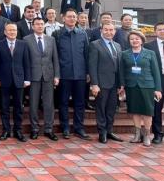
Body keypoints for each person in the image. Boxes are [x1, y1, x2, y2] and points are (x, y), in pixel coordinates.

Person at [119, 30, 162, 147]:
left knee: (147, 111)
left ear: (142, 40)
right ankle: (137, 135)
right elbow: (122, 71)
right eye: (132, 39)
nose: (134, 41)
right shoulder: (124, 54)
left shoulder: (150, 53)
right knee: (135, 111)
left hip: (147, 86)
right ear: (129, 41)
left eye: (137, 39)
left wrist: (158, 89)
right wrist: (122, 85)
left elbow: (156, 72)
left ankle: (147, 135)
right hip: (131, 86)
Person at [53, 8, 90, 139]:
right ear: (63, 18)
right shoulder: (57, 34)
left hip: (80, 74)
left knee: (80, 103)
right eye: (69, 16)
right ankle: (65, 128)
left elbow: (87, 54)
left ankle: (79, 128)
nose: (72, 19)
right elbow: (55, 56)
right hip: (64, 74)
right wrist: (56, 74)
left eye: (74, 16)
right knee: (63, 102)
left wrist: (88, 72)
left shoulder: (82, 34)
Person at [0, 22, 30, 141]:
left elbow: (26, 63)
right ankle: (6, 130)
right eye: (9, 30)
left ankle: (18, 130)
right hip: (4, 80)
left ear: (17, 31)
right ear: (5, 32)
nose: (12, 32)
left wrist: (27, 78)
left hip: (19, 80)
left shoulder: (23, 44)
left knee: (18, 107)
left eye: (14, 30)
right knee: (4, 107)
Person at [25, 17, 60, 140]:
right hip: (33, 76)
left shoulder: (51, 39)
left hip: (48, 76)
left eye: (41, 24)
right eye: (37, 24)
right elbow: (25, 60)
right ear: (33, 26)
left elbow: (55, 58)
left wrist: (57, 76)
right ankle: (34, 129)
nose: (40, 26)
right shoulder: (26, 40)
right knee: (33, 104)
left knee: (49, 104)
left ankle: (48, 129)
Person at [88, 22, 123, 143]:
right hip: (101, 83)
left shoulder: (117, 45)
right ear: (101, 31)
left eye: (111, 30)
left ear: (115, 31)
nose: (109, 32)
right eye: (106, 30)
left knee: (111, 109)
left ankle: (109, 131)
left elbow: (119, 66)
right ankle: (102, 132)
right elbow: (92, 66)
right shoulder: (95, 45)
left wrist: (121, 84)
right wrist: (94, 84)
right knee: (101, 108)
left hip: (115, 84)